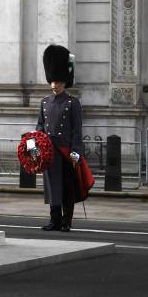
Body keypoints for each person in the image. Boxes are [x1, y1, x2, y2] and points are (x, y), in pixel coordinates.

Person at [36, 44, 84, 232]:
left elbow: (76, 130)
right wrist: (34, 145)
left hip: (66, 152)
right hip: (49, 152)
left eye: (59, 82)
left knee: (66, 188)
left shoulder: (73, 103)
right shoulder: (45, 102)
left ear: (65, 82)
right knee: (51, 187)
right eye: (53, 81)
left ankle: (66, 221)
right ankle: (54, 219)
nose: (55, 85)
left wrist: (76, 152)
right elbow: (40, 126)